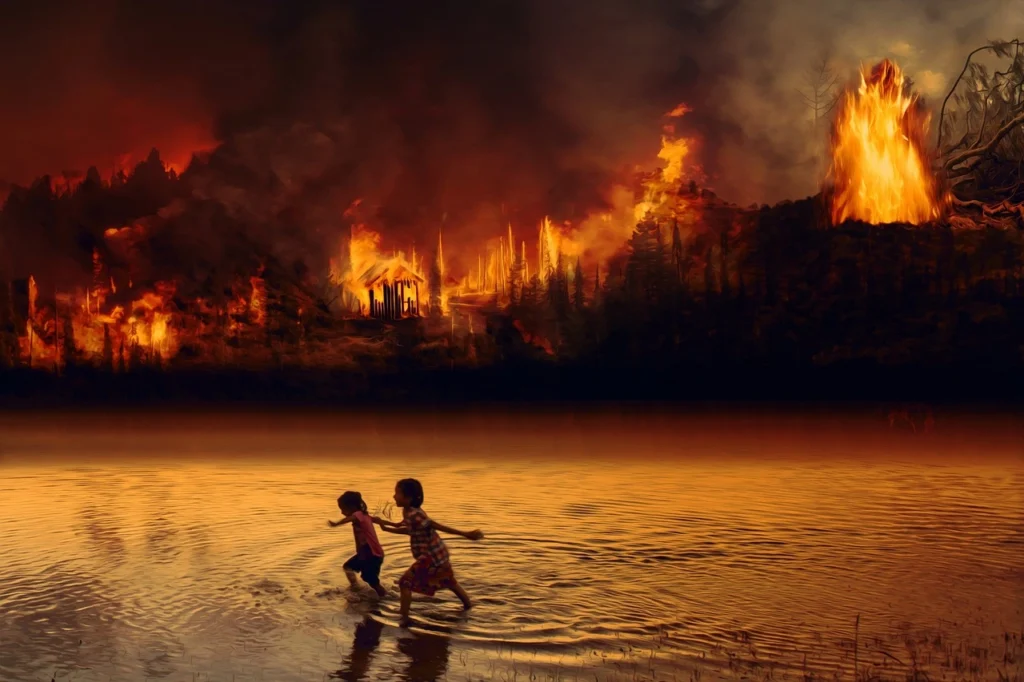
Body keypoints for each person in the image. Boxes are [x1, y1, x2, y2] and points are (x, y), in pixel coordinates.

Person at [372, 478, 483, 626]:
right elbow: (409, 530)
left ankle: (404, 619)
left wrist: (464, 533)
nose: (393, 496)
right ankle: (469, 606)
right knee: (449, 581)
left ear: (408, 498)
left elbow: (432, 525)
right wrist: (385, 527)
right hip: (438, 554)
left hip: (430, 556)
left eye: (397, 493)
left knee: (405, 583)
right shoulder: (408, 512)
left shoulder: (415, 514)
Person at [328, 491, 387, 598]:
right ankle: (355, 587)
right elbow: (378, 520)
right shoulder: (365, 516)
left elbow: (352, 517)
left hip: (370, 554)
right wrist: (395, 525)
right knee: (348, 567)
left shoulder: (358, 514)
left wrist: (337, 523)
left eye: (343, 509)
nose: (342, 512)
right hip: (367, 553)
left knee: (372, 581)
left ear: (352, 507)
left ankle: (384, 597)